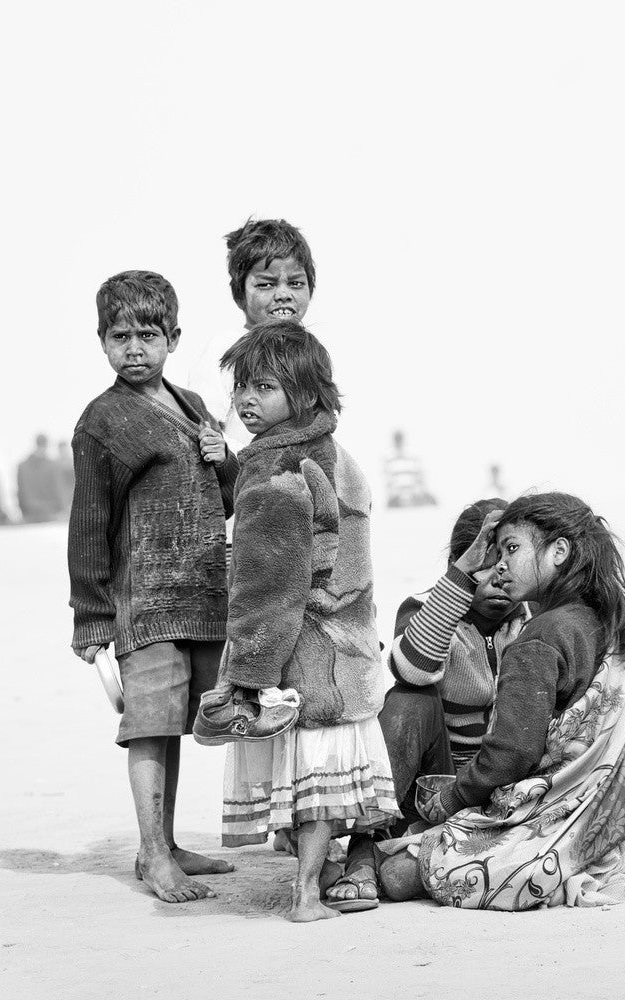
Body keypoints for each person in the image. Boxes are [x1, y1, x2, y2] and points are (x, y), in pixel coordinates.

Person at [328, 498, 625, 908]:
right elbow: (412, 669)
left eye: (507, 559)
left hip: (511, 775)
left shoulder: (536, 619)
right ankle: (365, 849)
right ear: (459, 566)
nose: (498, 576)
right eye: (484, 565)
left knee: (616, 694)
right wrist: (459, 582)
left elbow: (524, 743)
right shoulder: (429, 608)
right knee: (407, 700)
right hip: (441, 778)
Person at [191, 321, 400, 922]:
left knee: (312, 776)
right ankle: (319, 880)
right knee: (326, 780)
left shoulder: (279, 468)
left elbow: (269, 583)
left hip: (306, 647)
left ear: (304, 394)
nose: (246, 400)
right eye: (241, 387)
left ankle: (306, 893)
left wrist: (247, 676)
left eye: (264, 387)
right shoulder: (333, 454)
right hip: (348, 642)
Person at [68, 270, 239, 904]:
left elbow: (226, 501)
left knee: (175, 725)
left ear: (173, 338)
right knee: (147, 725)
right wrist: (91, 617)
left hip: (201, 594)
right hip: (143, 602)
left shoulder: (193, 405)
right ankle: (153, 853)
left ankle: (165, 844)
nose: (134, 349)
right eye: (120, 337)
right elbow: (89, 525)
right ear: (102, 342)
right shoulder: (101, 422)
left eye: (148, 335)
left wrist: (228, 461)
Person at [179, 218, 316, 446]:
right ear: (239, 295)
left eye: (295, 283)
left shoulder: (309, 353)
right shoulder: (227, 348)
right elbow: (200, 427)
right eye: (266, 284)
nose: (283, 294)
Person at [17, 433, 66, 523]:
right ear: (46, 445)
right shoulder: (53, 466)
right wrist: (62, 509)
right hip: (49, 514)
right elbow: (57, 489)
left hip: (29, 514)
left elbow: (20, 492)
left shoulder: (22, 466)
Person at [56, 440, 75, 517]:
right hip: (61, 492)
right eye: (61, 450)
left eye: (65, 450)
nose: (63, 452)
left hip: (71, 492)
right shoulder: (55, 464)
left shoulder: (73, 463)